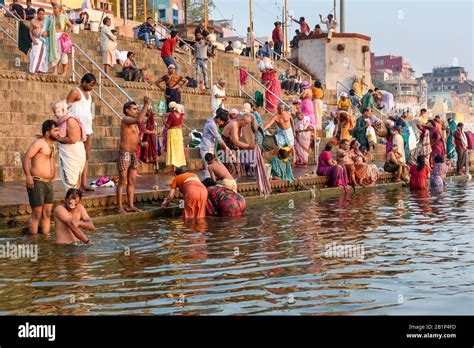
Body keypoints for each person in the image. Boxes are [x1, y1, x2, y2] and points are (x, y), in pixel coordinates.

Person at [21, 120, 59, 235]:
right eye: (55, 130)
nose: (58, 132)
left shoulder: (52, 145)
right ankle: (34, 241)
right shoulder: (39, 143)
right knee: (36, 214)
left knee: (47, 214)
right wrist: (28, 176)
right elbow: (26, 158)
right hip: (37, 182)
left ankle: (45, 239)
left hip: (48, 183)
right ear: (47, 133)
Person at [116, 97, 150, 214]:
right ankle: (119, 207)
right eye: (134, 109)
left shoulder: (134, 123)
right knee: (122, 181)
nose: (136, 111)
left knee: (131, 181)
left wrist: (141, 143)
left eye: (136, 109)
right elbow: (140, 120)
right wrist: (146, 104)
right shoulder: (125, 119)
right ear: (127, 110)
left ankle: (130, 205)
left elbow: (133, 137)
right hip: (124, 153)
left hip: (133, 154)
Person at [66, 73, 96, 192]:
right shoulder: (75, 92)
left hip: (88, 129)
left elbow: (89, 108)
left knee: (86, 156)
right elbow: (65, 107)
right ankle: (76, 184)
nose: (91, 87)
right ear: (83, 81)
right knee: (77, 157)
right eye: (90, 84)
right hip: (76, 130)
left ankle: (84, 183)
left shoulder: (90, 93)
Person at [53, 100, 87, 189]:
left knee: (71, 184)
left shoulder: (70, 120)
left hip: (73, 154)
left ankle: (72, 201)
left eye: (56, 111)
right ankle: (73, 201)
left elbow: (73, 139)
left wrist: (58, 139)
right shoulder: (64, 120)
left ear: (63, 110)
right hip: (71, 154)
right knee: (73, 183)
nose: (55, 114)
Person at [41, 4, 73, 76]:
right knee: (54, 53)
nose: (54, 9)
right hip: (53, 36)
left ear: (59, 9)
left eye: (55, 8)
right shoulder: (51, 18)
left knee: (63, 54)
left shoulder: (64, 17)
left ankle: (64, 72)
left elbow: (71, 26)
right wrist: (46, 32)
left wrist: (66, 34)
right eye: (53, 8)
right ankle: (55, 71)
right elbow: (49, 28)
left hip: (61, 36)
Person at [221, 113, 254, 178]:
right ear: (242, 120)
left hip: (231, 147)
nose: (247, 125)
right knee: (231, 169)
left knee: (238, 166)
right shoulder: (234, 125)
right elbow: (236, 142)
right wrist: (249, 146)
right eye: (246, 123)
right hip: (226, 147)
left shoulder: (237, 122)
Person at [200, 108, 230, 176]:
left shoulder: (212, 121)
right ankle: (208, 184)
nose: (222, 123)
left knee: (210, 169)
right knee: (209, 170)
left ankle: (210, 183)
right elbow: (218, 138)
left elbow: (214, 140)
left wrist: (215, 154)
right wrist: (226, 148)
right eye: (222, 122)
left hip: (209, 148)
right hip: (206, 148)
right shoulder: (211, 124)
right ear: (219, 119)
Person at [164, 101, 186, 172]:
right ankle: (178, 168)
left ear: (171, 108)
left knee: (172, 150)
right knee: (179, 150)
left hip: (172, 132)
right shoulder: (181, 114)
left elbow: (167, 125)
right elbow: (181, 122)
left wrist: (163, 119)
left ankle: (173, 169)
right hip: (179, 132)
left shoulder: (171, 115)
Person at [29, 8, 48, 74]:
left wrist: (46, 33)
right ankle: (34, 69)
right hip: (36, 40)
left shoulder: (46, 21)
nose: (41, 15)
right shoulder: (33, 21)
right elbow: (30, 32)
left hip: (44, 41)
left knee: (43, 56)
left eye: (42, 14)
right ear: (37, 14)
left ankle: (41, 70)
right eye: (40, 14)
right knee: (34, 55)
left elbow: (49, 31)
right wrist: (33, 40)